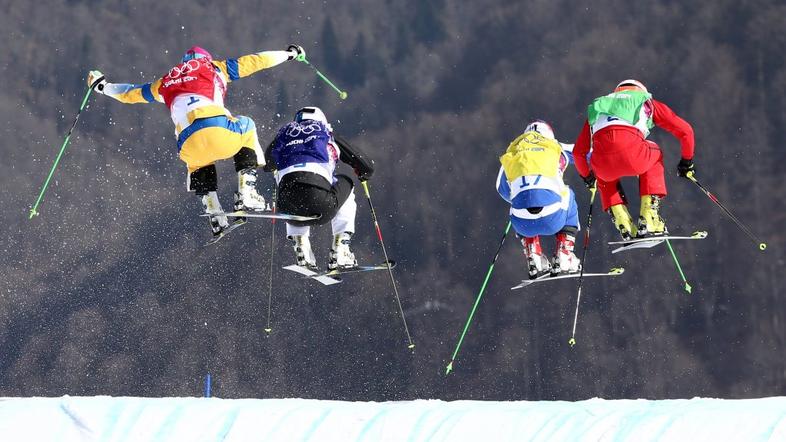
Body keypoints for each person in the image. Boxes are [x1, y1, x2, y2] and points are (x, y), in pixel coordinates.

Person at [85, 44, 307, 237]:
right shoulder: (214, 68)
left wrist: (102, 86)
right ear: (205, 60)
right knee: (247, 125)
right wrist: (289, 54)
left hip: (188, 145)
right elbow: (257, 61)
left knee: (199, 161)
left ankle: (213, 212)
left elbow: (130, 93)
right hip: (218, 132)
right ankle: (246, 192)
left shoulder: (166, 82)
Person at [573, 79, 696, 240]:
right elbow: (686, 131)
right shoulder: (645, 101)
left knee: (601, 174)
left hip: (603, 164)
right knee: (655, 152)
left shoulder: (598, 106)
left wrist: (588, 177)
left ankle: (623, 222)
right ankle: (649, 218)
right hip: (633, 155)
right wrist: (687, 162)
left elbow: (578, 153)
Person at [264, 106, 374, 271]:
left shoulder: (285, 133)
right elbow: (366, 166)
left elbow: (267, 164)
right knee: (346, 183)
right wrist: (362, 173)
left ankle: (300, 244)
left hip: (286, 208)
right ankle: (341, 249)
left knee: (291, 186)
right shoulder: (326, 133)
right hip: (321, 205)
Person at [496, 120, 581, 279]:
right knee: (568, 194)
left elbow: (501, 188)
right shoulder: (555, 147)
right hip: (553, 218)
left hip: (522, 224)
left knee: (518, 202)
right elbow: (585, 153)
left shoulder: (513, 152)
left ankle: (533, 254)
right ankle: (564, 254)